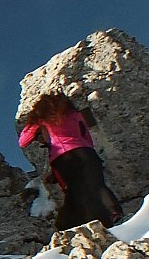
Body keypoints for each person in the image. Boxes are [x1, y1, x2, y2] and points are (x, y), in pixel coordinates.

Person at [18, 92, 124, 230]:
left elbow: (23, 141)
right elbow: (87, 137)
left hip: (63, 157)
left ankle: (72, 226)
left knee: (74, 191)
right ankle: (114, 213)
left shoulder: (42, 119)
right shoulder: (76, 114)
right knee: (97, 185)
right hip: (87, 153)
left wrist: (33, 121)